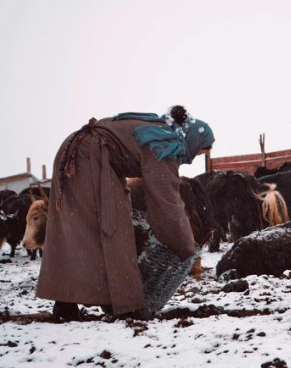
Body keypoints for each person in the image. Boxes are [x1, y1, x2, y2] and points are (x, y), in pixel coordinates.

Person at [37, 105, 215, 322]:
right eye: (200, 151)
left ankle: (66, 304)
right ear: (194, 140)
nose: (196, 156)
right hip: (89, 156)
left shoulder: (159, 130)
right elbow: (166, 204)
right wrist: (186, 247)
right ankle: (129, 306)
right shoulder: (165, 145)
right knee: (116, 229)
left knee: (76, 230)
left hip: (75, 151)